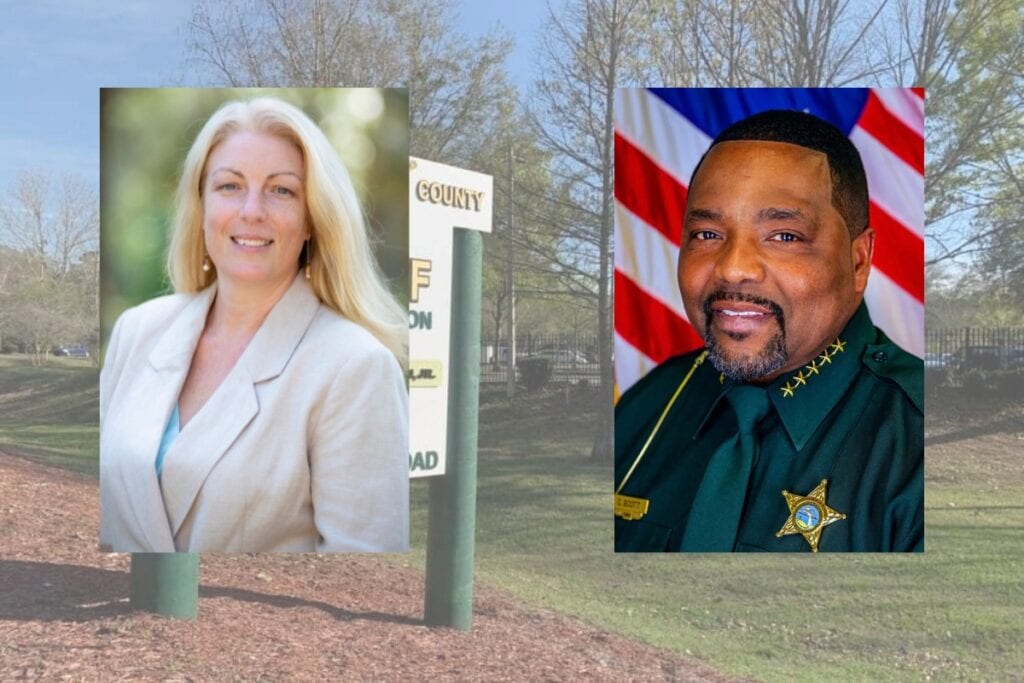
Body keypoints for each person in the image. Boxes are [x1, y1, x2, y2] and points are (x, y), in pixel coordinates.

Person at [100, 96, 409, 553]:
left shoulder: (356, 368)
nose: (251, 211)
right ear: (201, 204)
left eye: (281, 190)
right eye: (229, 186)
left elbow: (362, 577)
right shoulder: (136, 332)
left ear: (311, 220)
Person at [614, 109, 923, 553]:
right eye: (705, 234)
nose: (733, 268)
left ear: (859, 261)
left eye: (784, 236)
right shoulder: (650, 404)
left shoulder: (919, 446)